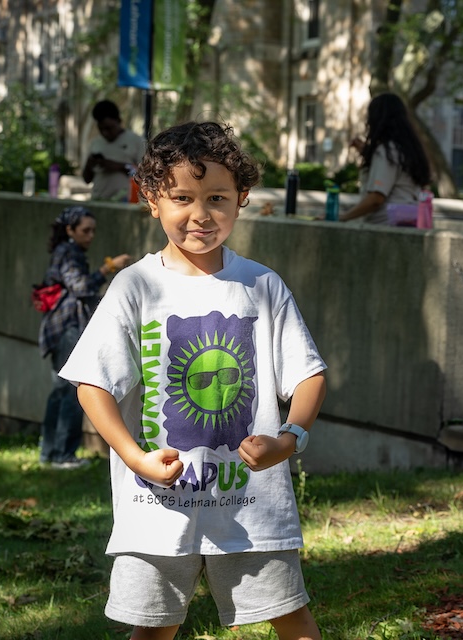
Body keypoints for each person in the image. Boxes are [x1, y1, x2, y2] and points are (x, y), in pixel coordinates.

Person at [59, 121, 327, 640]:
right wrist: (134, 457)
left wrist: (289, 439)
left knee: (293, 620)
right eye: (182, 197)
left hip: (251, 510)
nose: (201, 214)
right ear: (152, 200)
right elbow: (92, 383)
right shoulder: (134, 286)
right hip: (155, 510)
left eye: (218, 198)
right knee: (154, 629)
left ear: (242, 199)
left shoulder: (262, 285)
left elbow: (308, 374)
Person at [38, 206, 132, 469]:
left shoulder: (68, 252)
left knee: (60, 392)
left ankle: (50, 454)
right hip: (67, 328)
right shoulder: (67, 253)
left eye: (93, 231)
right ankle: (63, 455)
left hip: (61, 328)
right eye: (85, 230)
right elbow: (80, 287)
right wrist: (108, 268)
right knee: (71, 392)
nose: (90, 236)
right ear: (70, 230)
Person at [339, 92, 431, 224]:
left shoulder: (386, 152)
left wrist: (342, 217)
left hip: (386, 227)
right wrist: (367, 152)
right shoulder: (406, 149)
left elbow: (376, 199)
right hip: (409, 223)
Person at [82, 100, 146, 202]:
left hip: (126, 201)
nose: (105, 133)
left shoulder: (136, 141)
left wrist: (119, 166)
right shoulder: (95, 143)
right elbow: (86, 179)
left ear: (118, 120)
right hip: (98, 199)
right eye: (101, 129)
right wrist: (91, 163)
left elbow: (143, 175)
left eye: (109, 128)